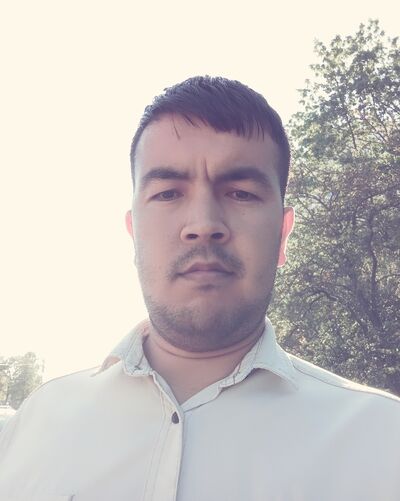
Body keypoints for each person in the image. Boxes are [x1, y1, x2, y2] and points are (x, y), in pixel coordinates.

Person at [0, 76, 399, 501]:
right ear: (134, 233)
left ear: (283, 235)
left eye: (241, 193)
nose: (204, 224)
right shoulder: (32, 428)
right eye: (168, 193)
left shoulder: (382, 443)